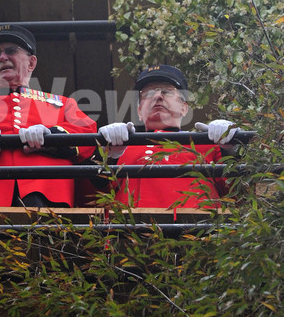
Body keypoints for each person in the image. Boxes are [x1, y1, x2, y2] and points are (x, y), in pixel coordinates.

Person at [0, 23, 97, 207]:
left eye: (11, 50)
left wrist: (51, 136)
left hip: (48, 197)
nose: (2, 57)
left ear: (31, 63)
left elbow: (88, 132)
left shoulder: (62, 104)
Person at [98, 64, 238, 210]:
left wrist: (230, 149)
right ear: (139, 111)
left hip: (193, 222)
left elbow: (237, 193)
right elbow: (94, 197)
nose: (157, 96)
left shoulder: (207, 145)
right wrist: (104, 153)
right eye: (148, 93)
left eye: (167, 91)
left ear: (184, 108)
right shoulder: (122, 148)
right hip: (128, 223)